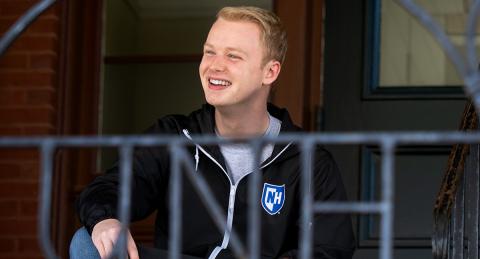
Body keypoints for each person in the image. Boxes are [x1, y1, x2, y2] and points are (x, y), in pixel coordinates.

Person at [70, 6, 355, 259]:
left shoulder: (308, 159)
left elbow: (331, 247)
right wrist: (105, 219)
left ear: (270, 72)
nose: (214, 66)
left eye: (233, 56)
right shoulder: (175, 136)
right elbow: (107, 188)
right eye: (210, 52)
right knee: (88, 243)